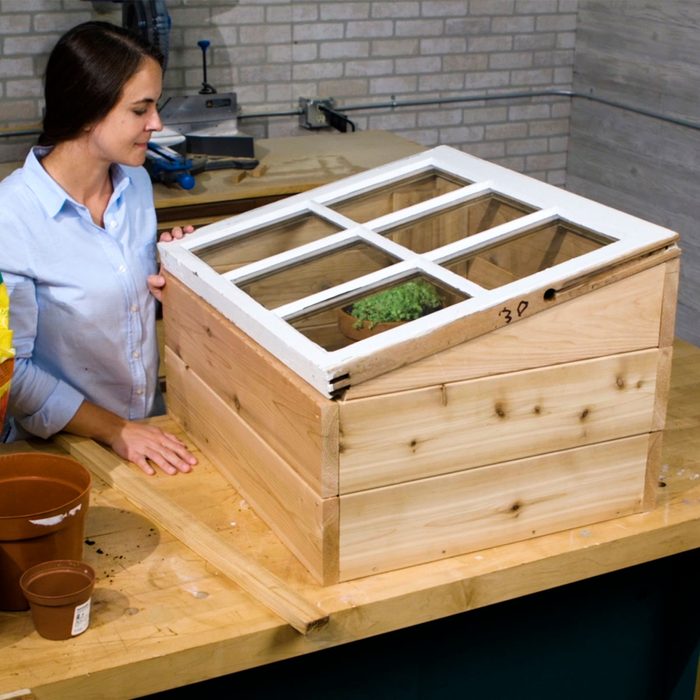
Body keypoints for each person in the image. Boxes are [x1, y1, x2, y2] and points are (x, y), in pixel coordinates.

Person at [0, 21, 197, 476]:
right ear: (89, 110)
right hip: (58, 449)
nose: (157, 123)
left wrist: (178, 279)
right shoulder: (12, 217)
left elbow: (126, 304)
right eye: (140, 109)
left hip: (145, 430)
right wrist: (114, 430)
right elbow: (14, 372)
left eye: (155, 106)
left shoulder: (137, 182)